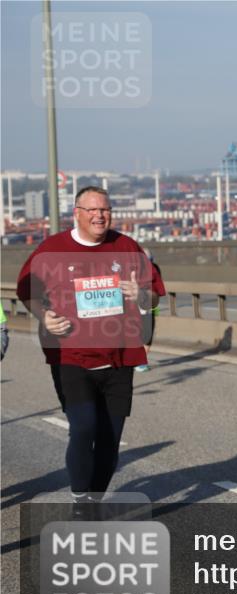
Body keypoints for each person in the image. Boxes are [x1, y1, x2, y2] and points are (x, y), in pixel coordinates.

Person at [16, 186, 165, 514]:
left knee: (110, 440)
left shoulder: (126, 247)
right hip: (71, 356)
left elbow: (153, 296)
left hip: (120, 356)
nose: (100, 216)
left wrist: (138, 294)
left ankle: (94, 499)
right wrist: (44, 316)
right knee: (83, 427)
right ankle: (80, 501)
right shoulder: (53, 249)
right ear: (77, 213)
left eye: (106, 210)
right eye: (93, 210)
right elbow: (26, 288)